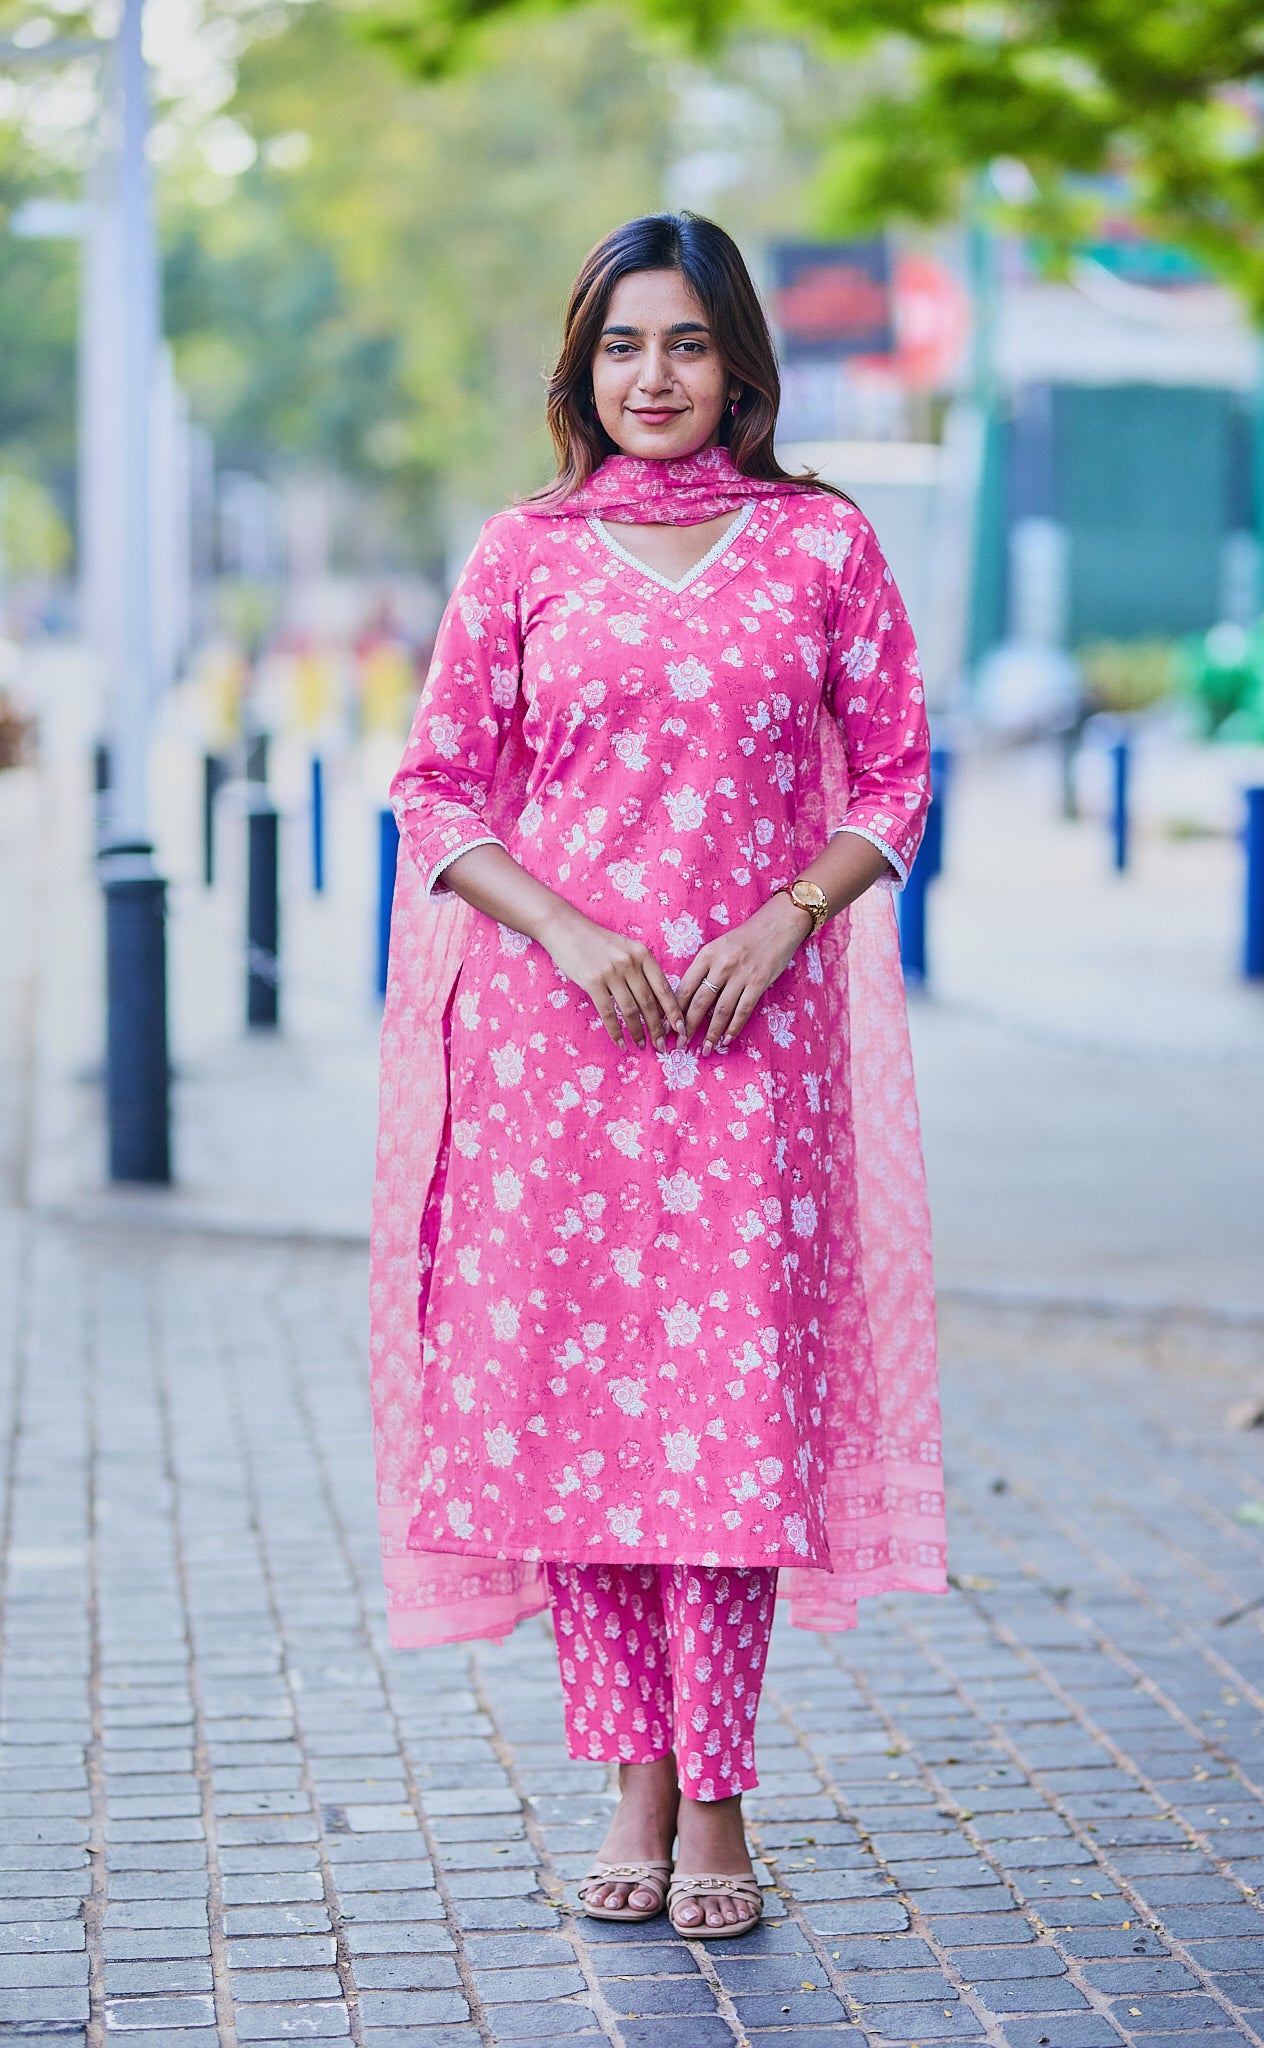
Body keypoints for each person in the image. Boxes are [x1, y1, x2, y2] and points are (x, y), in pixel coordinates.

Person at [370, 211, 946, 1940]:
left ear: (740, 365)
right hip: (559, 1053)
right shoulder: (525, 555)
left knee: (727, 1430)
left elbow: (898, 778)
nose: (653, 378)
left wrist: (785, 925)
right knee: (583, 1424)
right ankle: (628, 1781)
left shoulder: (819, 547)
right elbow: (437, 792)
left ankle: (715, 1802)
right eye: (622, 346)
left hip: (749, 1054)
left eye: (685, 344)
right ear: (581, 367)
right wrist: (563, 930)